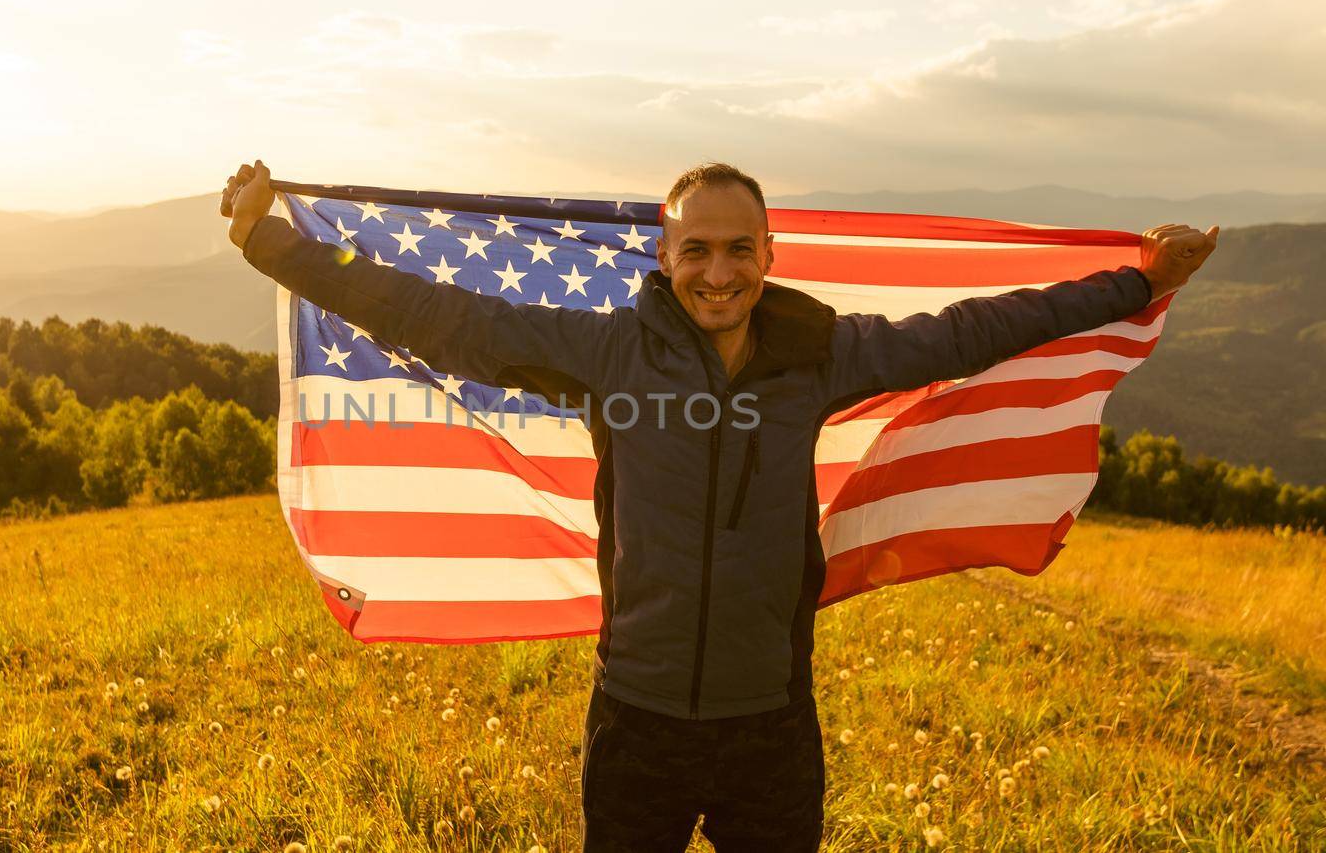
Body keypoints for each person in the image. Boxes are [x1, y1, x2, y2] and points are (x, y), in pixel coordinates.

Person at [220, 159, 1218, 852]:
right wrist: (273, 244)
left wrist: (1133, 282)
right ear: (665, 256)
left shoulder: (820, 356)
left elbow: (974, 329)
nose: (718, 271)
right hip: (636, 722)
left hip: (770, 726)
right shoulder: (607, 353)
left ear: (770, 254)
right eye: (696, 249)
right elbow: (438, 315)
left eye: (738, 249)